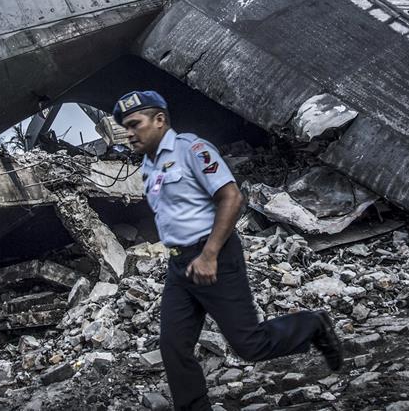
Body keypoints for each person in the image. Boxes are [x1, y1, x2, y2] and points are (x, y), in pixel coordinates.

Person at [114, 90, 342, 411]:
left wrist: (209, 255)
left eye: (135, 123)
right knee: (173, 346)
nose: (129, 132)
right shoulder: (150, 167)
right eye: (125, 126)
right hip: (180, 266)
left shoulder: (192, 149)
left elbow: (232, 198)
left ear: (160, 120)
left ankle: (315, 325)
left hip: (215, 256)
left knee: (250, 345)